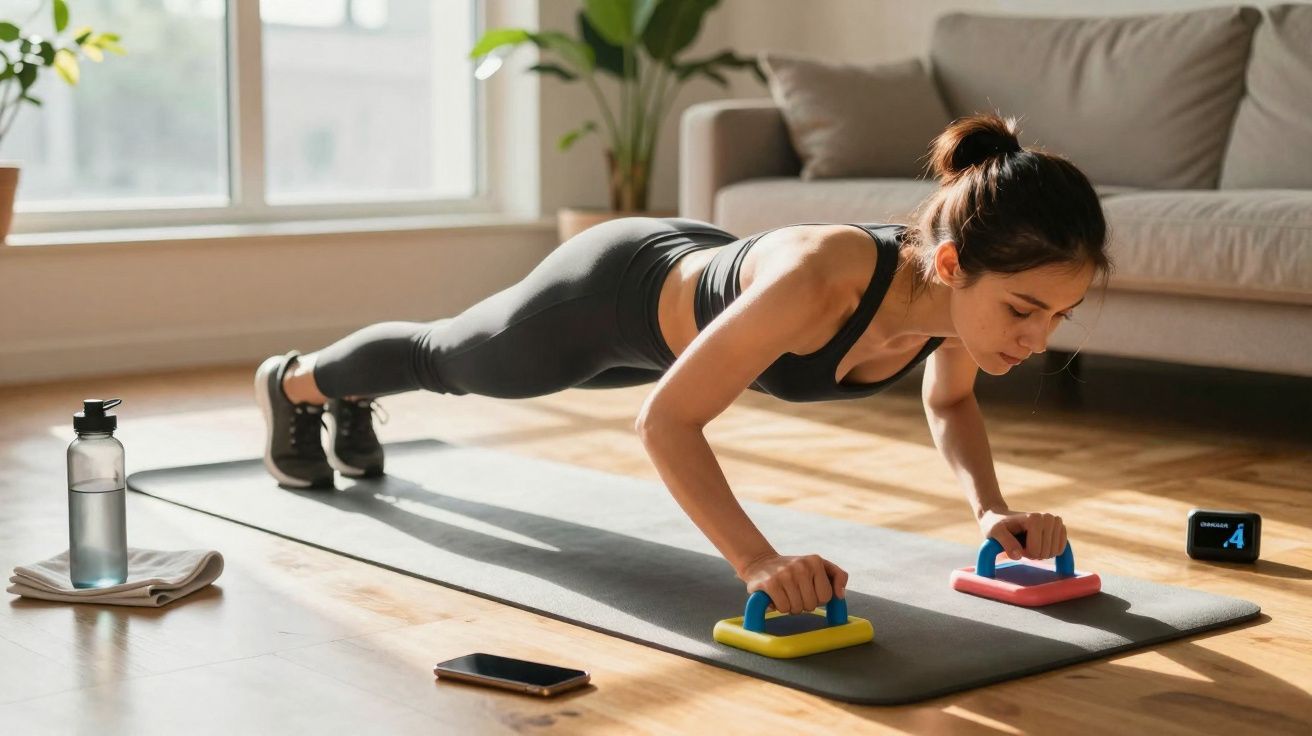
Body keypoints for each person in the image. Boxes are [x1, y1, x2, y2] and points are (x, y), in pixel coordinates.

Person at [254, 112, 1112, 616]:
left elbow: (951, 405)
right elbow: (666, 419)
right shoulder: (823, 283)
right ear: (956, 264)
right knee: (452, 359)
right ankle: (294, 382)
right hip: (610, 296)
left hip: (699, 285)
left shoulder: (959, 305)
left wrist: (989, 510)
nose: (1035, 340)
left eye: (1059, 316)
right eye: (1024, 312)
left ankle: (338, 397)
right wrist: (756, 564)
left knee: (458, 359)